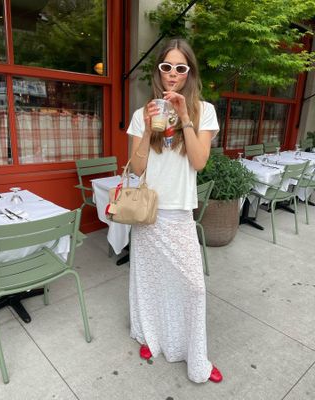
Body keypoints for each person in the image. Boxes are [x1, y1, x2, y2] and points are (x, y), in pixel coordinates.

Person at [126, 38, 223, 384]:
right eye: (166, 66)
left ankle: (196, 355)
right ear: (158, 70)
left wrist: (183, 116)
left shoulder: (204, 111)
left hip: (179, 214)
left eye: (180, 68)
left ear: (189, 73)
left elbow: (198, 161)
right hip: (149, 214)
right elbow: (137, 169)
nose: (172, 74)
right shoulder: (142, 114)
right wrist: (146, 129)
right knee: (149, 282)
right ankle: (150, 335)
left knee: (193, 287)